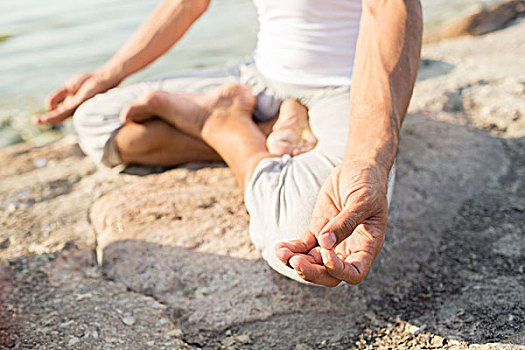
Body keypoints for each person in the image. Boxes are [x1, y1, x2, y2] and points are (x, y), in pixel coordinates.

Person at [34, 0, 423, 287]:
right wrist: (106, 75)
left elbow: (392, 6)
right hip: (260, 76)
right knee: (98, 120)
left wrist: (368, 157)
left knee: (311, 251)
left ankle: (225, 126)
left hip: (345, 90)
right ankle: (270, 122)